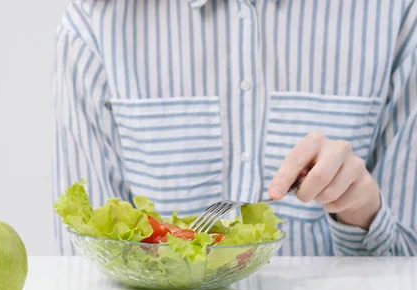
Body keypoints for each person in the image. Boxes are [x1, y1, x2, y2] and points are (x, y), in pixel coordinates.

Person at [52, 0, 417, 257]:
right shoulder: (94, 25)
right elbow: (86, 267)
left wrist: (362, 213)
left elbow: (404, 289)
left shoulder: (396, 16)